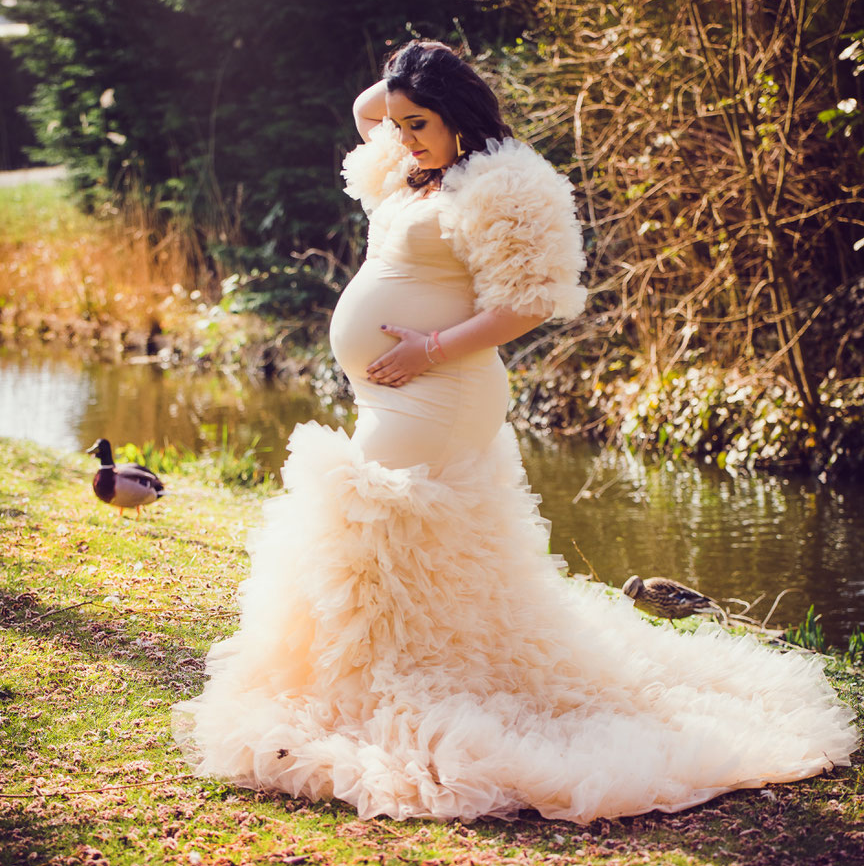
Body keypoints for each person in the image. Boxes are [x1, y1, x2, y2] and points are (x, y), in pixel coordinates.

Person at [172, 40, 857, 823]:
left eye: (421, 121)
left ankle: (391, 686)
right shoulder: (408, 164)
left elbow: (531, 301)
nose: (402, 135)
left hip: (440, 392)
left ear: (460, 115)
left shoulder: (504, 182)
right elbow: (368, 111)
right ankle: (391, 674)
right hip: (392, 394)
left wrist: (428, 347)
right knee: (398, 546)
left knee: (374, 526)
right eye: (400, 123)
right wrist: (405, 82)